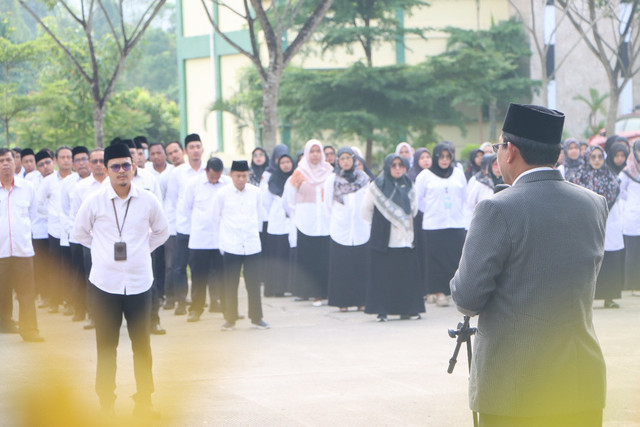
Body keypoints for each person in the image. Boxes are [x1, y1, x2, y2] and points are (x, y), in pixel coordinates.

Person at [451, 103, 607, 427]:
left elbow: (467, 298)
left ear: (511, 151)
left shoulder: (496, 209)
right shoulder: (594, 204)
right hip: (579, 382)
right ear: (558, 153)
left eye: (498, 146)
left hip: (516, 388)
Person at [74, 143, 169, 417]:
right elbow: (80, 233)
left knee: (143, 346)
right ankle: (106, 405)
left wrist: (141, 250)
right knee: (106, 347)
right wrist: (102, 251)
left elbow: (162, 232)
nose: (121, 171)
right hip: (105, 284)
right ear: (105, 170)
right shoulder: (94, 200)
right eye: (114, 166)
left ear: (134, 167)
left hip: (140, 283)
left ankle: (145, 402)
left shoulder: (148, 199)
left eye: (126, 165)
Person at [362, 154, 424, 321]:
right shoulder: (376, 187)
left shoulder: (410, 186)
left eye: (401, 165)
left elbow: (415, 210)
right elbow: (366, 211)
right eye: (394, 165)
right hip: (384, 240)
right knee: (384, 276)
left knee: (405, 276)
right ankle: (382, 311)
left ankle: (408, 309)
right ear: (387, 167)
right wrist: (381, 223)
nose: (397, 168)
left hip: (405, 239)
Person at [214, 160, 269, 331]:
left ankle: (257, 318)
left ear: (248, 175)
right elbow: (216, 218)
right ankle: (230, 318)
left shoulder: (256, 193)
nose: (241, 179)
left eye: (244, 176)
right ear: (231, 175)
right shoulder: (222, 194)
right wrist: (222, 242)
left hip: (251, 243)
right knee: (231, 284)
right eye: (238, 176)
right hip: (231, 244)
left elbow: (260, 216)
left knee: (253, 284)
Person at [571, 145, 625, 308]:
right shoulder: (578, 177)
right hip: (586, 223)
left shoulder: (610, 177)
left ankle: (609, 297)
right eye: (593, 157)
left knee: (609, 260)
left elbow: (613, 194)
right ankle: (586, 299)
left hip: (607, 223)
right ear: (587, 158)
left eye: (600, 157)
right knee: (588, 261)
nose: (596, 160)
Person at [415, 142, 467, 307]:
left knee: (457, 259)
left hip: (456, 222)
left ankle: (457, 293)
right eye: (441, 157)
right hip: (434, 224)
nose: (444, 160)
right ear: (435, 157)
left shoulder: (458, 173)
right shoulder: (425, 175)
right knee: (436, 261)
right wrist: (433, 210)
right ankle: (439, 293)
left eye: (448, 157)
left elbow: (464, 197)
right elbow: (417, 201)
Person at [0, 148, 44, 342]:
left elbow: (33, 215)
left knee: (26, 293)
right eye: (1, 161)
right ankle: (5, 323)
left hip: (23, 250)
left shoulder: (27, 188)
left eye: (8, 159)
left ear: (15, 162)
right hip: (0, 250)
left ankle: (30, 330)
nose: (5, 164)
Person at [283, 139, 333, 305]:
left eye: (318, 151)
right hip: (306, 222)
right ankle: (309, 292)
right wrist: (297, 216)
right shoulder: (299, 173)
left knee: (325, 258)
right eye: (312, 151)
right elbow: (289, 199)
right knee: (309, 258)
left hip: (325, 223)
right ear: (306, 153)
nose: (315, 155)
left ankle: (326, 292)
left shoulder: (329, 172)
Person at [183, 157, 229, 322]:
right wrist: (198, 226)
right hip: (200, 239)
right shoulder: (193, 184)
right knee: (198, 277)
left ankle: (228, 309)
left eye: (217, 176)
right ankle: (196, 309)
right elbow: (186, 209)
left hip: (221, 239)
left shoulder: (227, 183)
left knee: (224, 276)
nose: (215, 179)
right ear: (206, 171)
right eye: (212, 176)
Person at [324, 147, 371, 311]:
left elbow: (369, 202)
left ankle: (361, 301)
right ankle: (342, 302)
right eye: (342, 158)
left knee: (360, 266)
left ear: (354, 159)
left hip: (361, 228)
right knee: (341, 267)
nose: (345, 161)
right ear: (338, 161)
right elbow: (327, 204)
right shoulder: (332, 179)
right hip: (340, 229)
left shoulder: (364, 178)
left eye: (348, 158)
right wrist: (337, 220)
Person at [165, 134, 205, 315]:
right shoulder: (178, 173)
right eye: (191, 147)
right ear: (185, 151)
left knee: (200, 268)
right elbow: (171, 201)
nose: (195, 150)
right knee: (179, 267)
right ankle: (181, 302)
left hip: (203, 229)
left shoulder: (208, 169)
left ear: (202, 149)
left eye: (198, 146)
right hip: (182, 228)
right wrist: (172, 227)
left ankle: (200, 303)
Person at [70, 148, 107, 329]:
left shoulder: (116, 183)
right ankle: (94, 316)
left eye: (102, 160)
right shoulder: (80, 188)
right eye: (95, 161)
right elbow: (77, 217)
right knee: (92, 278)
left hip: (113, 241)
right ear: (89, 164)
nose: (99, 164)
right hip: (91, 242)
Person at [61, 146, 91, 322]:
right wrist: (71, 231)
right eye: (77, 160)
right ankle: (80, 310)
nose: (81, 163)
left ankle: (95, 311)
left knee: (93, 274)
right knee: (78, 274)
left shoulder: (99, 182)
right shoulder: (68, 183)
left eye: (84, 159)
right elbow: (65, 211)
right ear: (73, 164)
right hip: (75, 237)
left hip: (94, 237)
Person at [262, 154, 294, 297]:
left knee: (288, 257)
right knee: (276, 257)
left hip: (291, 224)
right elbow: (266, 203)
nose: (286, 165)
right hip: (276, 225)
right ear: (278, 165)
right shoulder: (272, 180)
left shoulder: (295, 179)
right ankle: (275, 288)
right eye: (283, 163)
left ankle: (288, 287)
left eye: (288, 162)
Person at [620, 140, 640, 294]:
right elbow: (619, 190)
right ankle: (632, 285)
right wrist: (632, 201)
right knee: (633, 253)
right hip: (633, 217)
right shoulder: (628, 171)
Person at [465, 153, 502, 227]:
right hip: (482, 225)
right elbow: (470, 205)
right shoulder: (480, 183)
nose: (497, 168)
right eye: (494, 164)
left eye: (499, 164)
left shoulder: (506, 183)